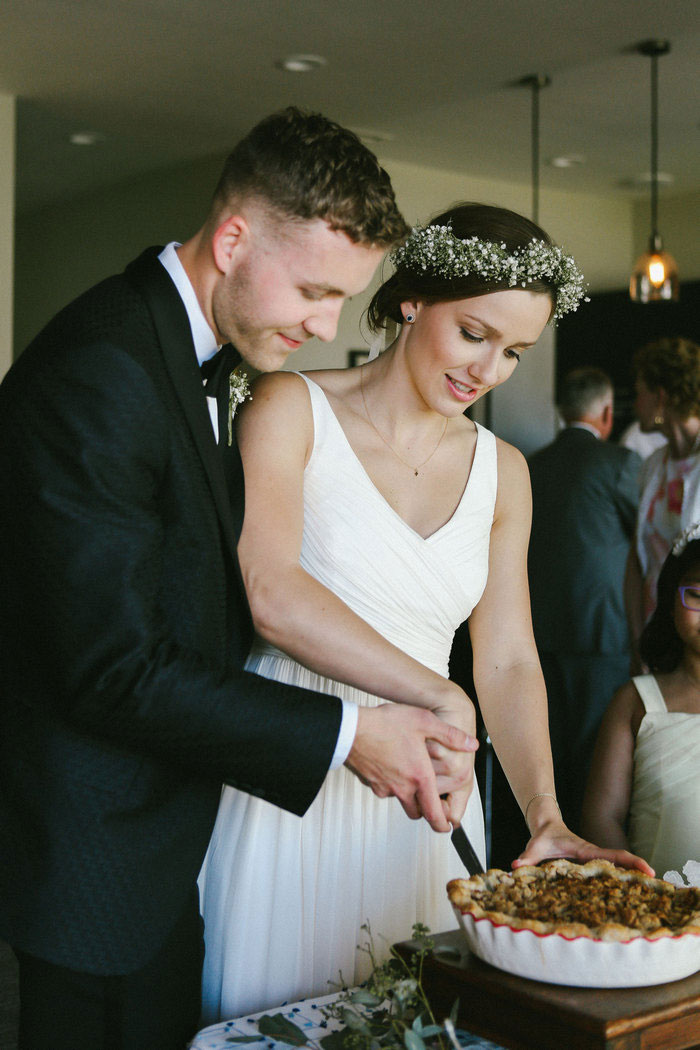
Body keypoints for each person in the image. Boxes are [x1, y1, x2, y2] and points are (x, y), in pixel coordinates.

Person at [0, 107, 477, 1050]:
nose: (325, 324)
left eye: (343, 299)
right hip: (94, 854)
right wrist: (349, 735)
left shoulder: (199, 354)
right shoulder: (101, 366)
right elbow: (113, 669)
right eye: (312, 289)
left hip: (165, 834)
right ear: (232, 239)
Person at [198, 203, 654, 1023]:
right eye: (475, 333)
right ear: (413, 299)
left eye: (514, 351)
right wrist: (438, 695)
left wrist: (545, 816)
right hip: (294, 778)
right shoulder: (289, 409)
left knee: (414, 1025)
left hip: (426, 807)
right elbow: (271, 594)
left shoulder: (502, 473)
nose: (488, 369)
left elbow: (509, 657)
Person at [526, 368, 641, 832]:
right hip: (601, 629)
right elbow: (648, 538)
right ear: (608, 413)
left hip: (536, 631)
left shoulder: (531, 464)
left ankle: (549, 838)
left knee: (547, 750)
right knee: (598, 755)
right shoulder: (619, 464)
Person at [582, 527, 700, 875]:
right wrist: (644, 893)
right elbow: (601, 817)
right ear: (669, 598)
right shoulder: (636, 701)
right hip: (656, 913)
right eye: (696, 595)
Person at [625, 337, 700, 666]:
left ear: (661, 396)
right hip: (655, 632)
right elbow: (637, 560)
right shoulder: (653, 464)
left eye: (639, 392)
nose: (635, 403)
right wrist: (637, 637)